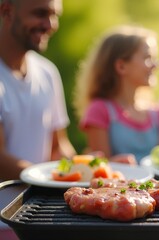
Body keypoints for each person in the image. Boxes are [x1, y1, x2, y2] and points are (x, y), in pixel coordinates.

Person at [0, 0, 76, 239]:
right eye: (40, 14)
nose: (50, 25)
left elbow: (58, 147)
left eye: (54, 15)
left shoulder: (47, 72)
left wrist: (93, 170)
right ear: (7, 11)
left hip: (40, 218)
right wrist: (50, 177)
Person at [73, 25, 159, 164]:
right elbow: (100, 170)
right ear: (121, 66)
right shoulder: (100, 110)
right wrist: (115, 164)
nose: (156, 65)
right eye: (148, 57)